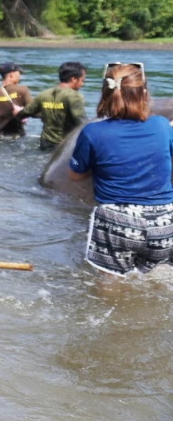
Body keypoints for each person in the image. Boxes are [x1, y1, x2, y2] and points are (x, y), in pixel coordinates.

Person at [68, 63, 173, 276]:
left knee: (109, 286)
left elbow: (74, 175)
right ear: (143, 93)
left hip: (117, 221)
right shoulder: (162, 125)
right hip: (164, 221)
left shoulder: (92, 131)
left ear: (105, 95)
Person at [18, 61, 87, 150]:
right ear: (73, 79)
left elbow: (24, 113)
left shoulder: (43, 95)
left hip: (45, 143)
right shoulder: (74, 96)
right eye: (82, 80)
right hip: (64, 145)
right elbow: (80, 120)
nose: (82, 84)